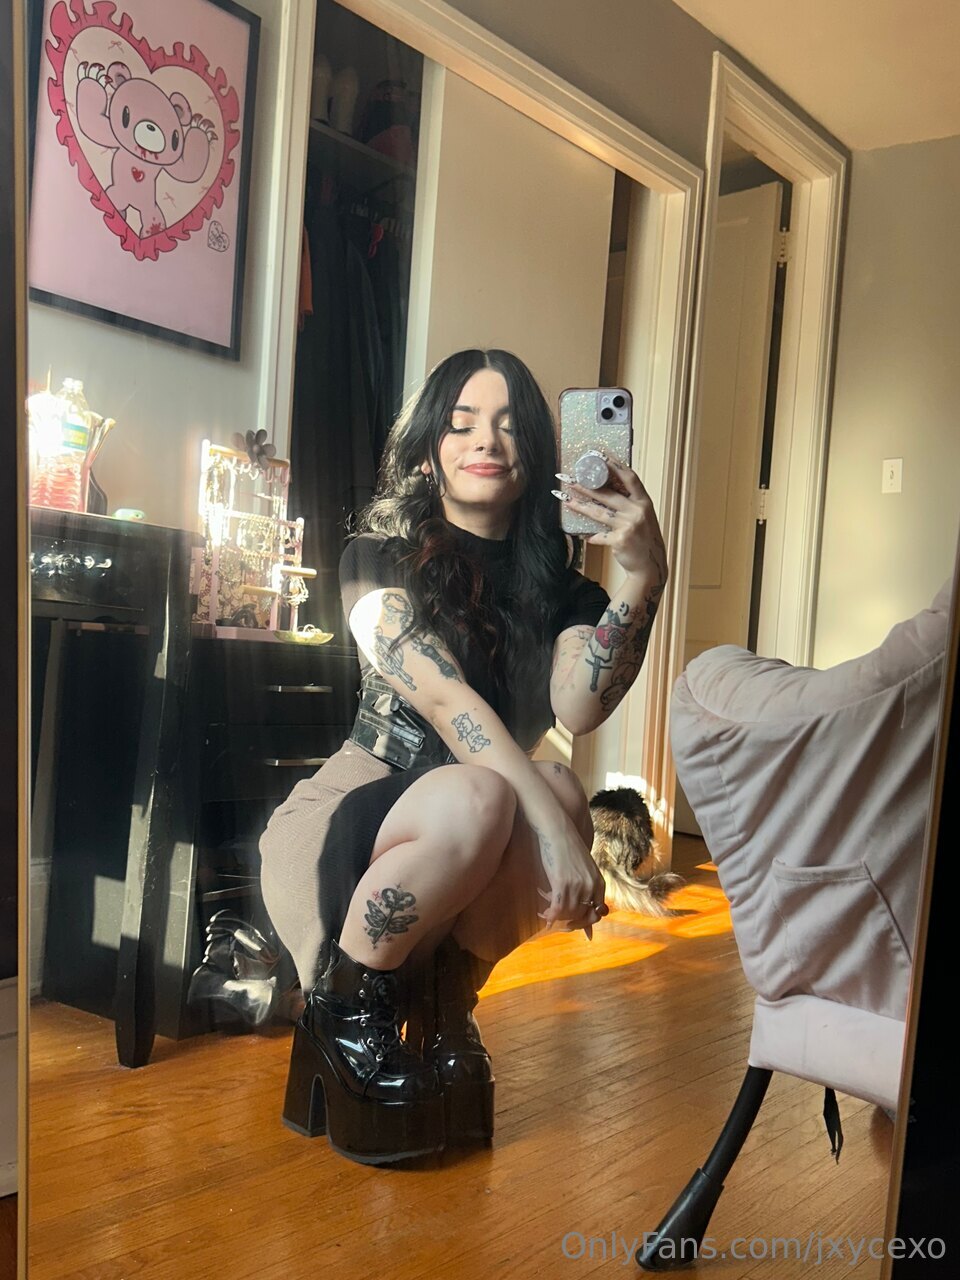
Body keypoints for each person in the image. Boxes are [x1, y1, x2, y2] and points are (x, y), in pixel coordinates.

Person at [259, 348, 667, 1165]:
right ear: (427, 452)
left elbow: (578, 708)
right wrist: (557, 839)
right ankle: (347, 1014)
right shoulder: (376, 558)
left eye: (510, 425)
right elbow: (448, 704)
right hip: (353, 820)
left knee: (556, 787)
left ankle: (447, 1012)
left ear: (537, 458)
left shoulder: (563, 593)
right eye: (462, 423)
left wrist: (642, 574)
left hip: (471, 821)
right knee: (501, 797)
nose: (487, 439)